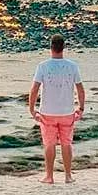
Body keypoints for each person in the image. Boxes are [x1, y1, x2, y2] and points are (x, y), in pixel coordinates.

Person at [28, 34, 85, 184]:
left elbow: (34, 89)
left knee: (49, 144)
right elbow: (80, 89)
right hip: (67, 111)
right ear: (63, 48)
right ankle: (68, 176)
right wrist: (81, 108)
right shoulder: (72, 66)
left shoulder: (43, 66)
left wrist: (32, 109)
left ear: (51, 47)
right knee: (67, 143)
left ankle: (49, 176)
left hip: (48, 112)